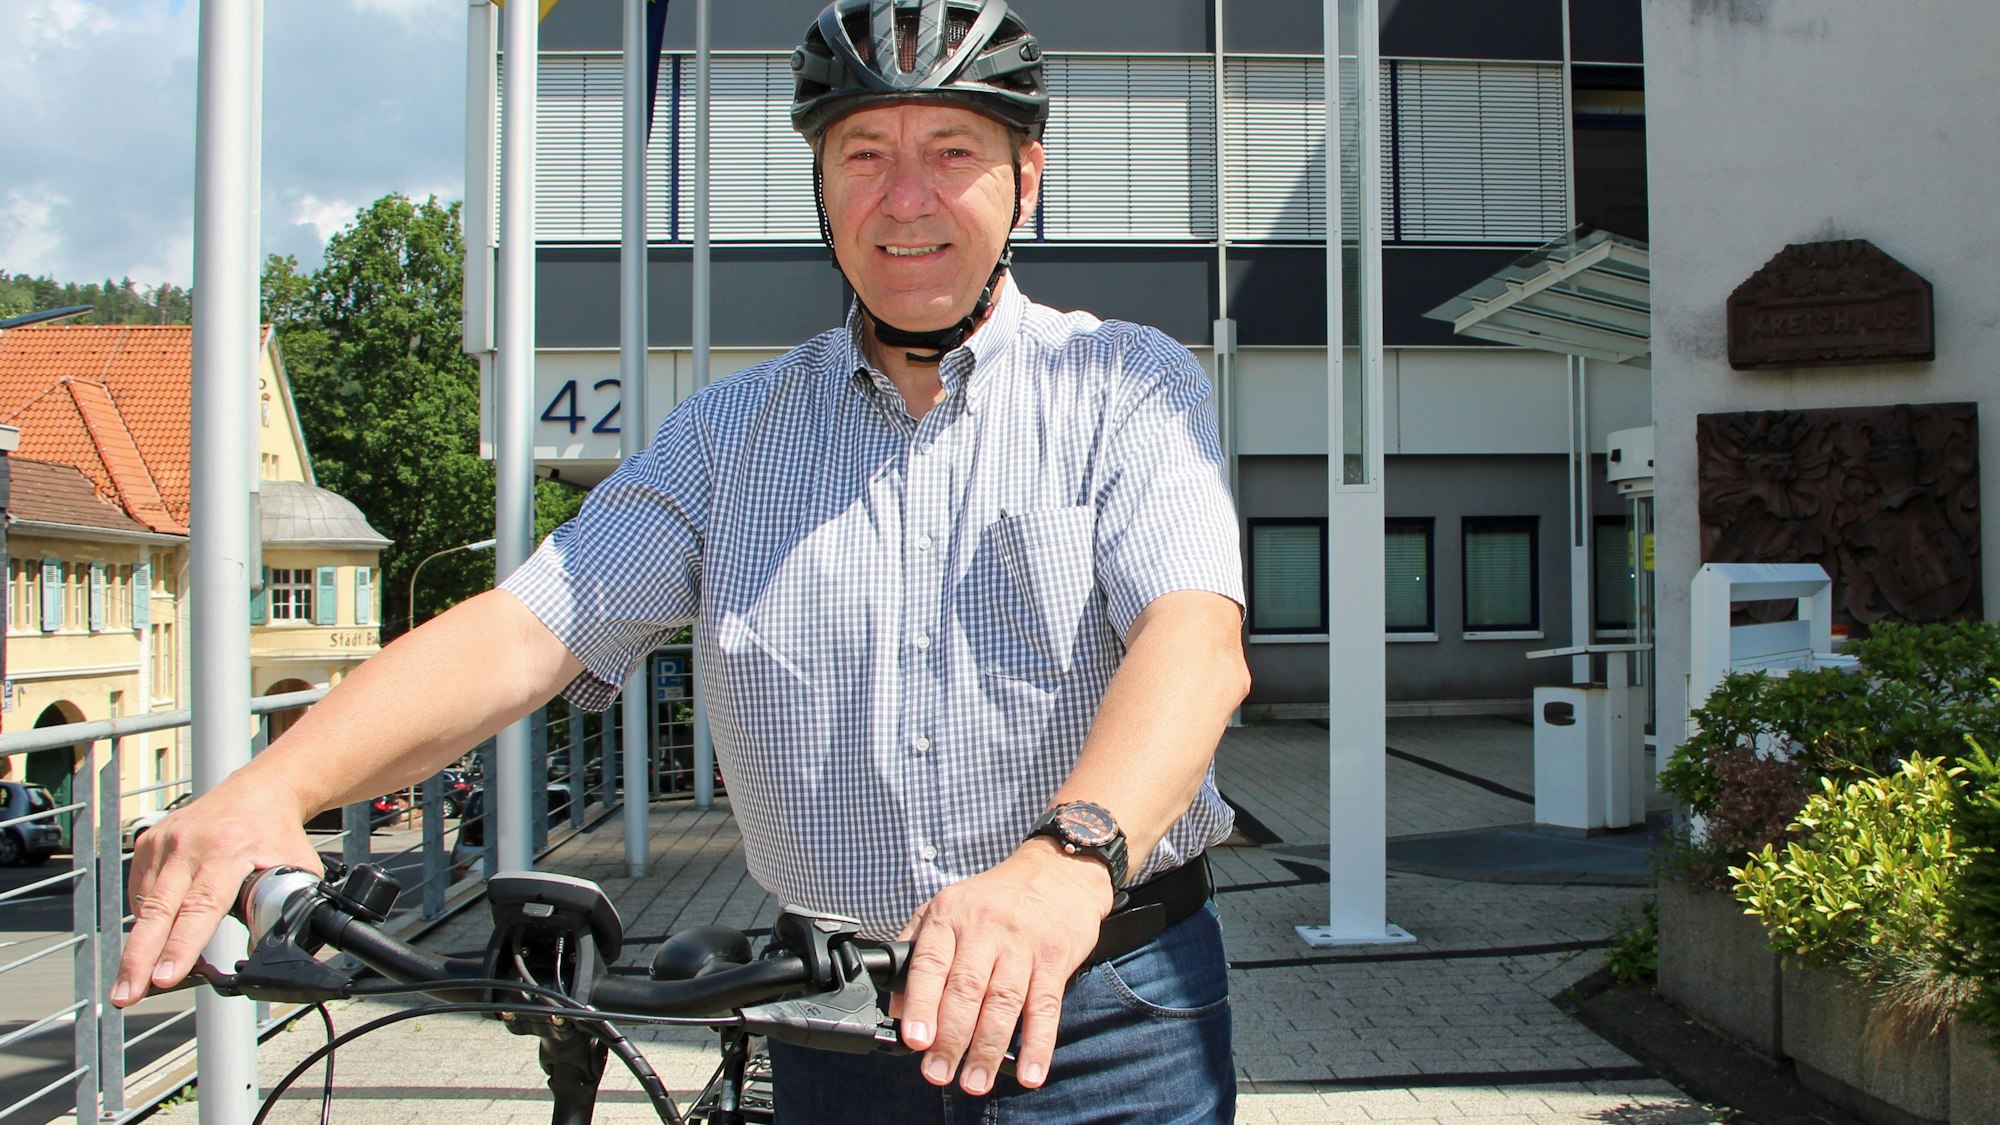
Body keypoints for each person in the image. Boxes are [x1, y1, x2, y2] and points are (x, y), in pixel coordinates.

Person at [115, 0, 1249, 1119]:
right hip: (836, 1023)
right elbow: (528, 626)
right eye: (865, 154)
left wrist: (1066, 859)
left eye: (951, 152)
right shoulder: (725, 434)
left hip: (1108, 1002)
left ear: (1026, 177)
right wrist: (273, 790)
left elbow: (1191, 643)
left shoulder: (1127, 387)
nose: (906, 199)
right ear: (820, 182)